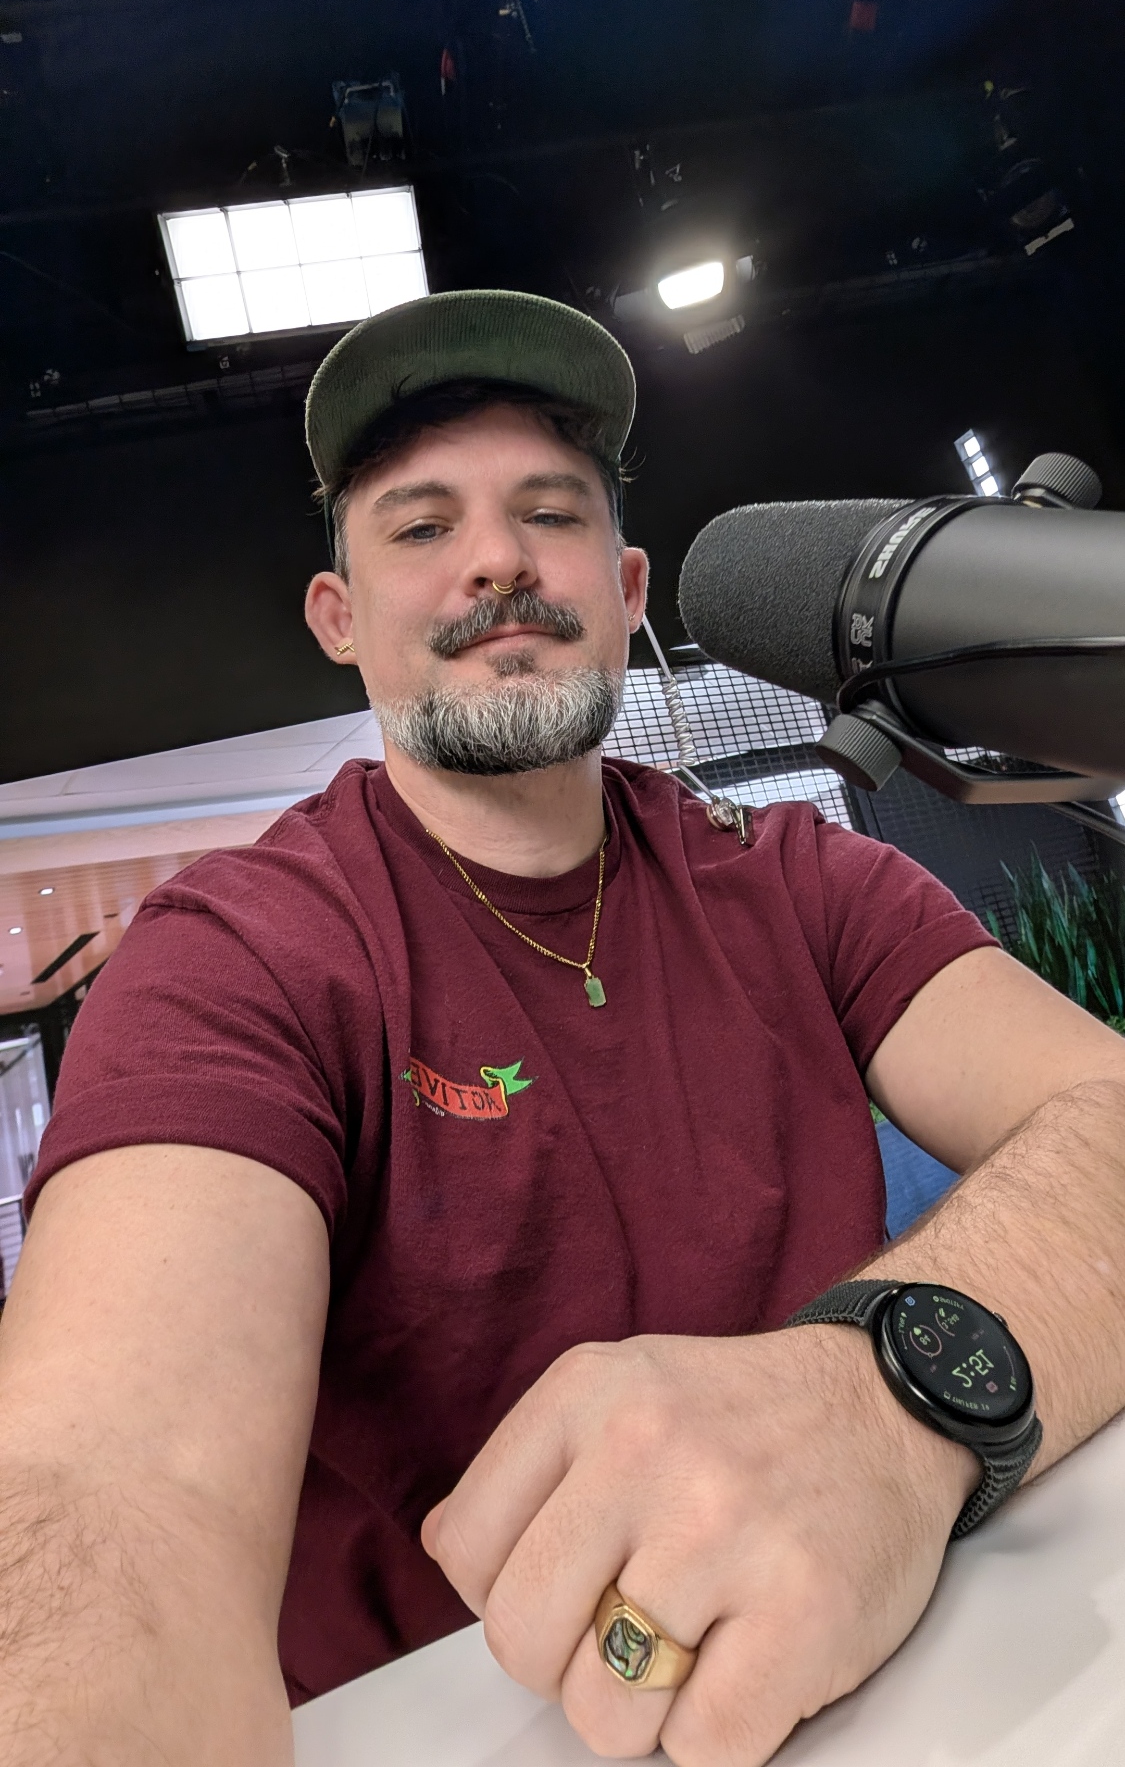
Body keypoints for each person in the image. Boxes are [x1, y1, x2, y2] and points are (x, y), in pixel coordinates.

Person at [1, 288, 1123, 1767]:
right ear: (339, 620)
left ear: (628, 586)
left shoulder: (800, 878)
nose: (497, 561)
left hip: (915, 1686)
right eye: (421, 526)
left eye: (550, 514)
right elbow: (102, 1495)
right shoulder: (239, 956)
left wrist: (876, 1392)